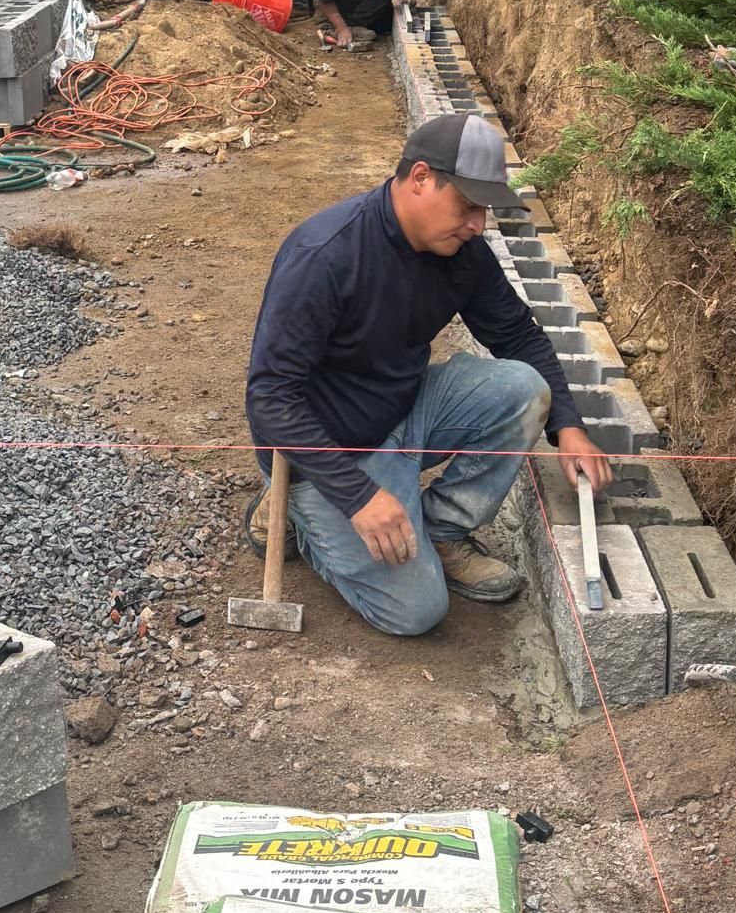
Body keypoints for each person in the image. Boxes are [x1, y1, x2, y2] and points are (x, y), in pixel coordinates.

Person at [244, 113, 612, 636]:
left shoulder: (462, 254)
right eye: (467, 205)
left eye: (483, 209)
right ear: (420, 179)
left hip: (405, 409)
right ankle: (298, 515)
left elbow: (519, 337)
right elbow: (270, 398)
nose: (477, 224)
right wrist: (359, 497)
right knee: (416, 612)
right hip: (329, 448)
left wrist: (570, 428)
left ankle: (439, 529)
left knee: (525, 391)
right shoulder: (324, 256)